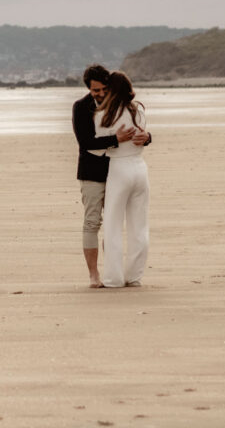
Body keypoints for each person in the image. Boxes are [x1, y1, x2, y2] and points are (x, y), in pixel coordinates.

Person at [72, 64, 150, 287]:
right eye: (95, 90)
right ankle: (94, 274)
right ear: (89, 89)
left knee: (114, 225)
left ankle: (115, 275)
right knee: (93, 222)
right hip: (93, 174)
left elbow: (139, 133)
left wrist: (147, 137)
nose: (100, 94)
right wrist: (117, 140)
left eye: (104, 89)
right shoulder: (82, 107)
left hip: (118, 172)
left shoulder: (115, 110)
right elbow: (86, 143)